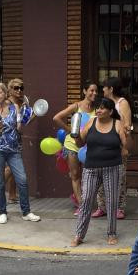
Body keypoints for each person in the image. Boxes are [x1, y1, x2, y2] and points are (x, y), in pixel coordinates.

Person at [71, 97, 127, 246]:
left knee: (111, 202)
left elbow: (128, 146)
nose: (99, 110)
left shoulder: (117, 124)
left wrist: (128, 135)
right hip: (91, 168)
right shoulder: (91, 122)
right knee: (86, 201)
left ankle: (111, 233)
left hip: (112, 167)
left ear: (110, 111)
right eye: (98, 108)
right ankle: (79, 235)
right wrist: (75, 136)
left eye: (102, 108)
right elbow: (81, 143)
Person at [0, 82, 40, 225]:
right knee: (0, 182)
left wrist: (28, 117)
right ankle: (2, 212)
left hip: (13, 150)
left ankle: (26, 212)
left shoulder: (14, 108)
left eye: (0, 92)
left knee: (22, 179)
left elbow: (19, 128)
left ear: (5, 94)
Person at [53, 82, 100, 214]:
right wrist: (69, 130)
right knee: (75, 175)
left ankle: (81, 199)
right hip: (71, 146)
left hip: (88, 147)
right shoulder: (76, 106)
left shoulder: (97, 109)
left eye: (96, 91)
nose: (94, 93)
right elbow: (56, 118)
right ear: (84, 91)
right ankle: (82, 206)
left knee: (88, 176)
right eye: (91, 90)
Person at [96, 76, 134, 220]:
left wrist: (124, 146)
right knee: (100, 174)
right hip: (102, 142)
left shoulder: (122, 103)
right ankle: (102, 207)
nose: (103, 90)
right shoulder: (103, 103)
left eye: (104, 87)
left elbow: (127, 124)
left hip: (117, 143)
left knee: (120, 176)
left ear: (111, 89)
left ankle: (119, 207)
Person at [1, 77, 31, 205]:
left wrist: (32, 112)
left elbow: (25, 122)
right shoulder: (7, 104)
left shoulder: (21, 103)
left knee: (13, 167)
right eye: (16, 88)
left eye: (21, 88)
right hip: (6, 138)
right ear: (10, 90)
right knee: (10, 167)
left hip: (16, 138)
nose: (19, 91)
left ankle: (12, 195)